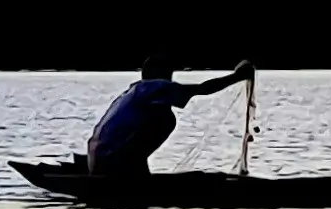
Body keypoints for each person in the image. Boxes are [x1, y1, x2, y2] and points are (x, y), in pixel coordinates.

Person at [80, 62, 258, 178]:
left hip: (98, 161)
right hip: (110, 164)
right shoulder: (154, 87)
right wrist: (237, 77)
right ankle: (134, 175)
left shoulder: (135, 91)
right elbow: (201, 89)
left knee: (163, 116)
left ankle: (135, 173)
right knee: (165, 118)